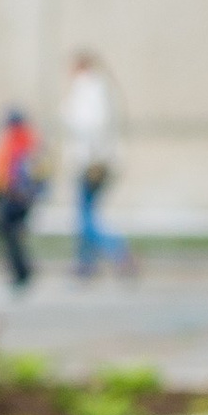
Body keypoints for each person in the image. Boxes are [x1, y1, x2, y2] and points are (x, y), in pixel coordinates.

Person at [62, 50, 130, 276]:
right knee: (86, 213)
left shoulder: (86, 91)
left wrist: (91, 158)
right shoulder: (100, 90)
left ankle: (118, 251)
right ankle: (86, 264)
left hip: (91, 162)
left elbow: (89, 127)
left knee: (86, 217)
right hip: (97, 160)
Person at [0, 103, 41, 289]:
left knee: (11, 234)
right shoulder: (29, 140)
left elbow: (12, 171)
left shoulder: (18, 141)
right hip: (20, 196)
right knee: (16, 235)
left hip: (14, 196)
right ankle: (23, 271)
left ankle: (21, 272)